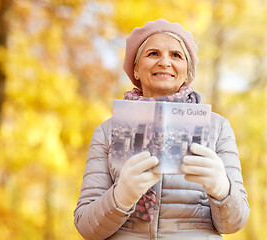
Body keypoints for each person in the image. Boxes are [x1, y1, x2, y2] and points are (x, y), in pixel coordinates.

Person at [74, 18, 250, 240]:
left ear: (187, 72)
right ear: (136, 70)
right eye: (153, 54)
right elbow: (86, 227)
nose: (164, 62)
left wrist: (222, 189)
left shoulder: (218, 128)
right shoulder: (107, 132)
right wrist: (120, 197)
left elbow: (236, 222)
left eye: (176, 55)